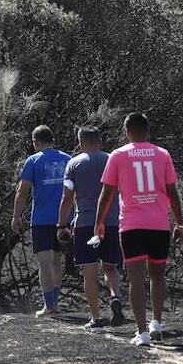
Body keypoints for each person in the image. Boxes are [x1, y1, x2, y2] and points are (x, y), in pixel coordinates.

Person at [95, 112, 183, 347]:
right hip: (158, 223)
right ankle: (157, 322)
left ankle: (142, 332)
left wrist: (99, 221)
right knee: (157, 274)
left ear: (127, 132)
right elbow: (172, 192)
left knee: (135, 277)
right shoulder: (162, 154)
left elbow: (107, 193)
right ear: (148, 130)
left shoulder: (118, 155)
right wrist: (180, 222)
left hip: (131, 224)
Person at [57, 127, 124, 331]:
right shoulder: (112, 159)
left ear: (80, 142)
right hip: (112, 221)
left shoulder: (73, 164)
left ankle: (96, 318)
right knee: (110, 267)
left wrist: (62, 224)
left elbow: (67, 197)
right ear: (100, 140)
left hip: (85, 222)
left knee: (89, 272)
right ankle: (115, 296)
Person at [10, 125, 72, 316]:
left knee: (44, 262)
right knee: (56, 260)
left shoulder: (33, 160)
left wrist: (16, 216)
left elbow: (22, 191)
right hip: (64, 218)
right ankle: (55, 303)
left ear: (35, 142)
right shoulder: (68, 159)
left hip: (41, 219)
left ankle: (48, 306)